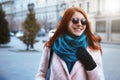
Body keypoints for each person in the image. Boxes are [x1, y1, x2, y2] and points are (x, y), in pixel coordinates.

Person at [35, 7, 105, 80]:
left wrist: (91, 65)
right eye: (75, 20)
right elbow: (41, 74)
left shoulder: (93, 49)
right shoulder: (51, 47)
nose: (80, 24)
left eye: (83, 21)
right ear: (65, 23)